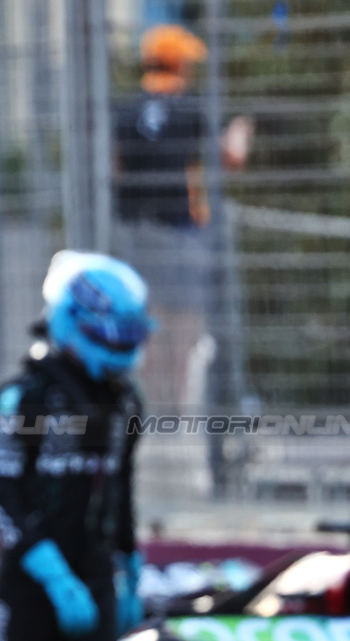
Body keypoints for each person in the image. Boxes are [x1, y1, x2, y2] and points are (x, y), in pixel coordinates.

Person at [0, 251, 151, 641]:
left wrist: (130, 566)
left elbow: (121, 487)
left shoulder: (126, 403)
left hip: (96, 577)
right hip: (27, 584)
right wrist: (54, 575)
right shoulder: (20, 398)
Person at [111, 23, 251, 413]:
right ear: (178, 64)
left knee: (147, 325)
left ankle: (148, 409)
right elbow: (229, 159)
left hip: (135, 233)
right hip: (181, 231)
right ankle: (176, 413)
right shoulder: (189, 108)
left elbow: (114, 167)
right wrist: (240, 132)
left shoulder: (125, 109)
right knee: (186, 326)